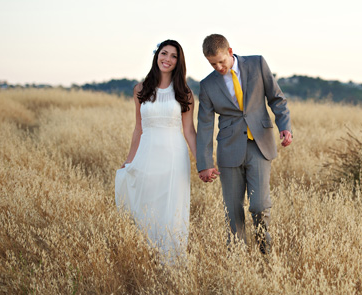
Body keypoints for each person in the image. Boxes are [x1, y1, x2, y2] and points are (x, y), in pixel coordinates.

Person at [196, 34, 292, 254]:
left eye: (221, 61)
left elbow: (277, 98)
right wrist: (204, 163)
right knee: (233, 210)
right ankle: (237, 260)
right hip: (229, 150)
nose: (218, 67)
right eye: (213, 64)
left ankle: (264, 253)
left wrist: (284, 126)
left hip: (259, 145)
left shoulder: (257, 64)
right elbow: (204, 125)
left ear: (230, 51)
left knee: (259, 205)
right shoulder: (208, 85)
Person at [115, 39, 197, 259]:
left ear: (178, 62)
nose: (167, 59)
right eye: (164, 53)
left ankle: (171, 262)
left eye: (173, 56)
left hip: (173, 157)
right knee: (146, 205)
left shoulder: (185, 93)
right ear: (156, 55)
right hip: (148, 154)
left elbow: (189, 131)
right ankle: (145, 258)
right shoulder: (140, 89)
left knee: (170, 210)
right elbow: (138, 128)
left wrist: (202, 162)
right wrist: (129, 159)